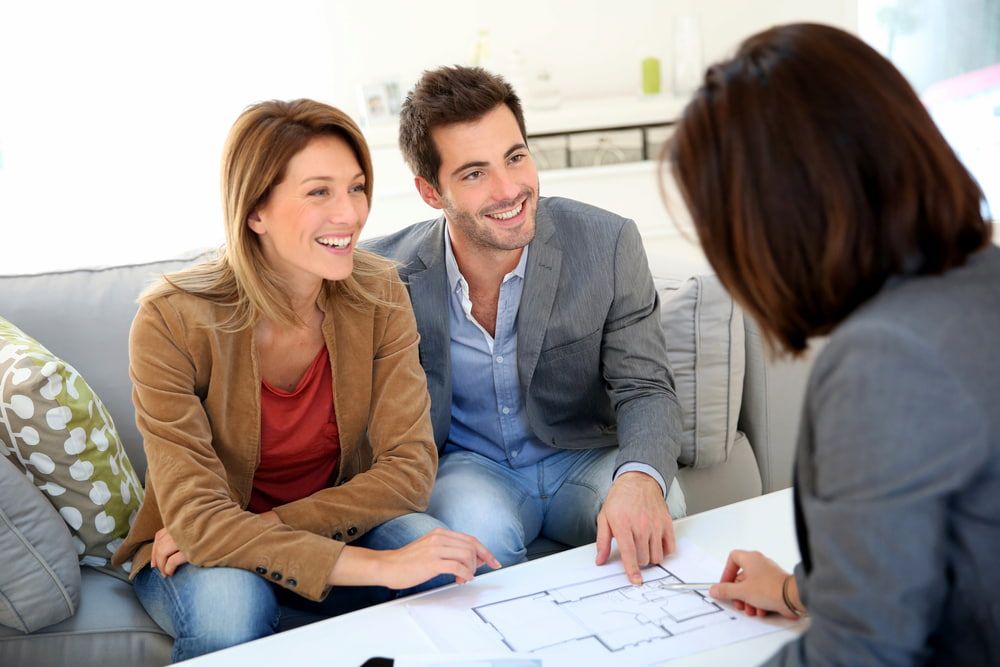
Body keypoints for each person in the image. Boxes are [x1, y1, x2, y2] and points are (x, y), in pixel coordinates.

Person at [112, 99, 498, 663]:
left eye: (357, 187)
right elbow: (195, 520)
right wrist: (380, 567)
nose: (349, 214)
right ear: (255, 211)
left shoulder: (379, 292)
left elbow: (408, 471)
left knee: (444, 571)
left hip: (336, 526)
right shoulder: (171, 319)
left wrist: (263, 528)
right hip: (201, 554)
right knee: (229, 609)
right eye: (319, 192)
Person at [665, 23, 999, 665]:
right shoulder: (981, 279)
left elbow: (859, 654)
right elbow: (943, 547)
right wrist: (800, 590)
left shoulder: (886, 360)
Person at [365, 66, 686, 585]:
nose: (509, 188)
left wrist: (641, 478)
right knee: (475, 549)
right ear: (430, 192)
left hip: (581, 455)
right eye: (474, 173)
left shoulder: (607, 244)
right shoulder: (385, 278)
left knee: (659, 509)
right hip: (470, 468)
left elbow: (647, 388)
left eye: (515, 157)